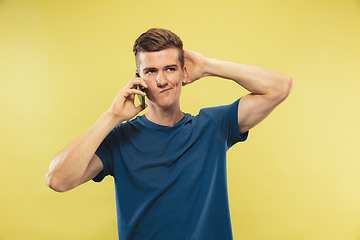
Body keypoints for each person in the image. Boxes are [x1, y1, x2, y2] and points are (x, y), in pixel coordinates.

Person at [46, 28, 293, 239]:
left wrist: (208, 66)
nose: (162, 80)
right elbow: (58, 180)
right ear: (139, 80)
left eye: (170, 69)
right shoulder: (120, 138)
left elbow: (280, 87)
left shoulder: (214, 126)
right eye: (151, 71)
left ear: (183, 73)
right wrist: (112, 116)